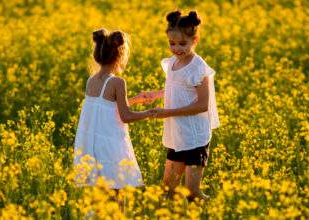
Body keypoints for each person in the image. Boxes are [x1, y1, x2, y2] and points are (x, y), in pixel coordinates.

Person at [147, 10, 220, 201]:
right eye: (172, 43)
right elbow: (178, 88)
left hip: (195, 136)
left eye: (182, 44)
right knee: (167, 191)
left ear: (195, 41)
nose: (177, 48)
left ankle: (218, 209)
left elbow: (202, 104)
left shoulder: (198, 68)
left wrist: (168, 112)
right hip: (177, 134)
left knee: (192, 194)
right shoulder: (172, 63)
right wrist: (154, 94)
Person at [73, 28, 157, 189]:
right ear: (121, 56)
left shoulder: (91, 80)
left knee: (100, 196)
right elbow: (125, 116)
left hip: (92, 147)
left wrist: (136, 99)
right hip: (110, 148)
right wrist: (149, 113)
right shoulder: (118, 83)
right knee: (118, 191)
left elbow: (105, 106)